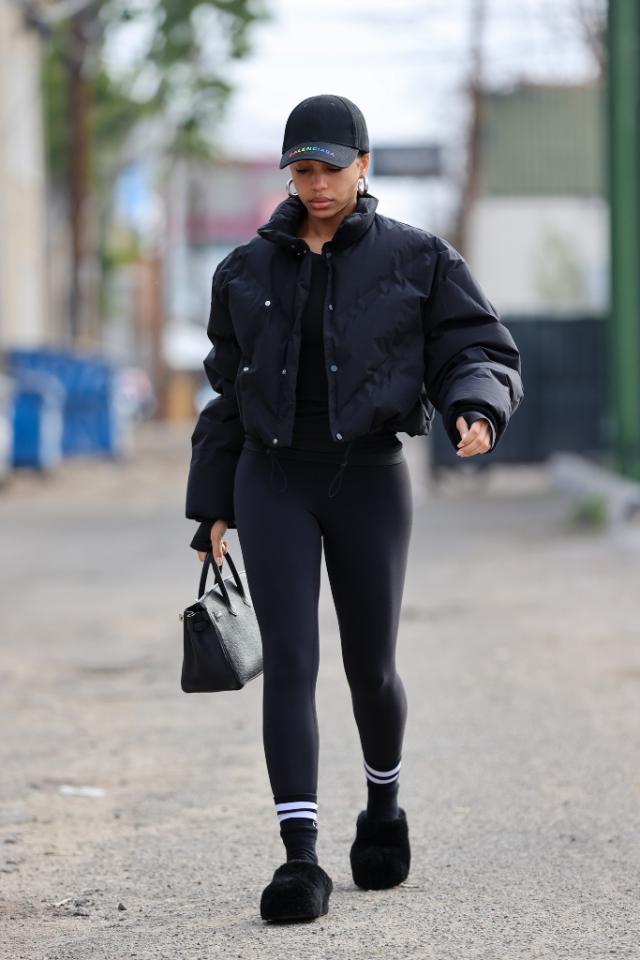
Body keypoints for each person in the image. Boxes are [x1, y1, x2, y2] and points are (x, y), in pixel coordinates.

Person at [185, 94, 523, 923]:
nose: (317, 184)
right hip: (273, 480)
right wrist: (213, 504)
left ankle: (382, 808)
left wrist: (474, 407)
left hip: (371, 477)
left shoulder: (419, 259)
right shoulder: (244, 271)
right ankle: (299, 859)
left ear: (363, 165)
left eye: (331, 167)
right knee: (290, 661)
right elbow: (230, 391)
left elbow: (475, 348)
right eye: (302, 170)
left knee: (370, 666)